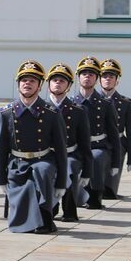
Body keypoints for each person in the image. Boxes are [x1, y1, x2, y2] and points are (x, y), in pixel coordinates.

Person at [0, 60, 67, 234]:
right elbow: (0, 148)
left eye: (32, 80)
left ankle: (44, 221)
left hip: (43, 160)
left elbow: (60, 148)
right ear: (18, 84)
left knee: (42, 171)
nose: (27, 83)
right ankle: (27, 221)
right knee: (24, 187)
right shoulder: (6, 113)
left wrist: (61, 182)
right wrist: (1, 179)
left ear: (40, 85)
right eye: (24, 80)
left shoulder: (51, 113)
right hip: (17, 163)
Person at [71, 56, 121, 210]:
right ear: (78, 77)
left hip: (98, 146)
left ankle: (95, 196)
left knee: (96, 157)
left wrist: (116, 162)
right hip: (76, 147)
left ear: (97, 79)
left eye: (91, 74)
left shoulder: (105, 104)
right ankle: (70, 198)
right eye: (84, 73)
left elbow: (114, 135)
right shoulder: (71, 103)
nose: (87, 77)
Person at [46, 62, 93, 222]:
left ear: (69, 85)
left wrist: (87, 171)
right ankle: (49, 209)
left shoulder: (78, 110)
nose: (58, 83)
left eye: (62, 80)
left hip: (70, 154)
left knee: (70, 167)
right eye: (54, 80)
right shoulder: (41, 108)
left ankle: (69, 210)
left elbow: (85, 143)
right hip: (47, 154)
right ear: (48, 83)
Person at [99, 58, 131, 199]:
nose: (108, 79)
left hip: (118, 144)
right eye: (105, 76)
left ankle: (109, 190)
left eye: (111, 76)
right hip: (98, 142)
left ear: (117, 80)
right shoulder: (93, 101)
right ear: (99, 79)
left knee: (110, 188)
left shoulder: (125, 103)